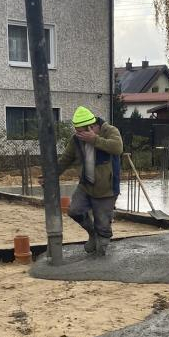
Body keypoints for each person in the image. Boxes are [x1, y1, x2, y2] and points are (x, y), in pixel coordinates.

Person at [57, 106, 123, 256]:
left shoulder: (109, 131)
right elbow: (65, 159)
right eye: (76, 131)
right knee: (75, 211)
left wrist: (95, 140)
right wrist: (50, 175)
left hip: (107, 189)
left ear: (91, 127)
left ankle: (101, 247)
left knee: (103, 226)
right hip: (86, 186)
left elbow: (118, 147)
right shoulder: (77, 140)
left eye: (81, 131)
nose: (78, 134)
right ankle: (93, 234)